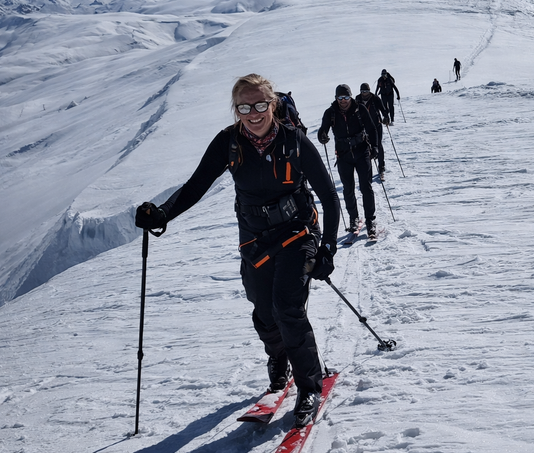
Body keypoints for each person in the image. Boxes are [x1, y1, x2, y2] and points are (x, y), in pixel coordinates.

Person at [134, 74, 339, 429]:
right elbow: (196, 185)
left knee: (287, 308)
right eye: (245, 106)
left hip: (298, 232)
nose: (254, 113)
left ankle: (309, 386)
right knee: (263, 310)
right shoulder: (228, 144)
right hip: (255, 240)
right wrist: (162, 212)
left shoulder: (295, 142)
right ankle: (279, 360)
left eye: (261, 104)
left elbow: (329, 196)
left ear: (272, 104)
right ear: (236, 109)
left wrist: (328, 247)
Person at [318, 84, 379, 238]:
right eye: (340, 97)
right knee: (348, 188)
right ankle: (354, 218)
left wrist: (375, 147)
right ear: (336, 98)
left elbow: (371, 128)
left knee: (366, 187)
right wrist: (322, 135)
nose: (343, 101)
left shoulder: (360, 109)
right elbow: (322, 130)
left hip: (362, 151)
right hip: (343, 155)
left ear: (351, 96)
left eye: (346, 97)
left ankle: (371, 220)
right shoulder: (330, 112)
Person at [356, 82, 388, 179]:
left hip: (376, 125)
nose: (364, 93)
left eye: (366, 91)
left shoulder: (375, 98)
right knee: (366, 147)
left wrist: (386, 117)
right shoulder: (358, 99)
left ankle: (381, 167)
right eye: (362, 91)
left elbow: (383, 109)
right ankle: (368, 170)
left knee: (378, 144)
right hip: (364, 127)